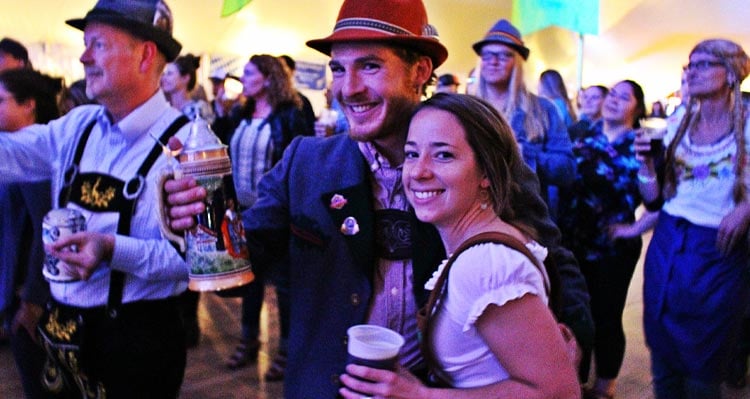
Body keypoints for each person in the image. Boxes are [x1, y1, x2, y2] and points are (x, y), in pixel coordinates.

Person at [164, 0, 592, 397]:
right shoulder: (305, 162)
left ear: (420, 71)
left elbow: (553, 258)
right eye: (339, 69)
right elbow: (242, 263)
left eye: (369, 66)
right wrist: (197, 220)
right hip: (322, 386)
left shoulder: (475, 159)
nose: (348, 89)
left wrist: (571, 352)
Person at [0, 0, 192, 397]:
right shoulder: (79, 124)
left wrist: (111, 249)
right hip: (63, 330)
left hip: (137, 344)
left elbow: (192, 262)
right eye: (86, 44)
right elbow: (11, 154)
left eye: (99, 44)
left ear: (145, 54)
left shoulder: (192, 145)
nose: (84, 56)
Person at [339, 92, 580, 398]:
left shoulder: (486, 264)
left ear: (486, 172)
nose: (419, 171)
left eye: (443, 155)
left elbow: (558, 393)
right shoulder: (481, 245)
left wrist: (420, 396)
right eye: (412, 154)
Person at [636, 38, 750, 398]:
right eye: (690, 65)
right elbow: (655, 200)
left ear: (730, 73)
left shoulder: (747, 126)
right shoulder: (676, 123)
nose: (692, 72)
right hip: (668, 242)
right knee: (662, 348)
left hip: (717, 250)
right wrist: (645, 167)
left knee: (704, 361)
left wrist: (747, 208)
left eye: (703, 64)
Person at [223, 54, 312, 380]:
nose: (243, 78)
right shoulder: (241, 112)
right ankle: (248, 341)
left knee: (285, 287)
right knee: (249, 280)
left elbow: (301, 163)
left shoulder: (290, 114)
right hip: (242, 213)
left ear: (268, 77)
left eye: (249, 73)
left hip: (278, 214)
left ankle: (287, 352)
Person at [558, 80, 647, 399]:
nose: (613, 100)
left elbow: (664, 197)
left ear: (637, 108)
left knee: (606, 316)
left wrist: (634, 228)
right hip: (571, 241)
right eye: (612, 94)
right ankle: (574, 380)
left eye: (624, 97)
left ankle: (604, 386)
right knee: (574, 310)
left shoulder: (642, 143)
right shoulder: (582, 134)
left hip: (613, 248)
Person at [470, 19, 576, 216]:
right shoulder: (466, 108)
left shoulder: (544, 110)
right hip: (470, 217)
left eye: (504, 56)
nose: (493, 61)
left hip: (525, 220)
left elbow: (567, 169)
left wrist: (525, 154)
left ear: (517, 61)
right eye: (487, 55)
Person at [0, 68, 63, 399]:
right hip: (18, 284)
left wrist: (32, 298)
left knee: (39, 382)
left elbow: (46, 228)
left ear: (29, 105)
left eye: (0, 100)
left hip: (29, 289)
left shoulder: (33, 156)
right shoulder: (14, 149)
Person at [161, 53, 214, 122]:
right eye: (164, 74)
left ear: (185, 78)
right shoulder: (164, 108)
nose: (164, 78)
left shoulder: (198, 109)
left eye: (169, 74)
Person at [279, 54, 316, 131]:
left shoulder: (302, 100)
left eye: (281, 67)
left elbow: (310, 131)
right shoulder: (267, 100)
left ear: (292, 71)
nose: (277, 71)